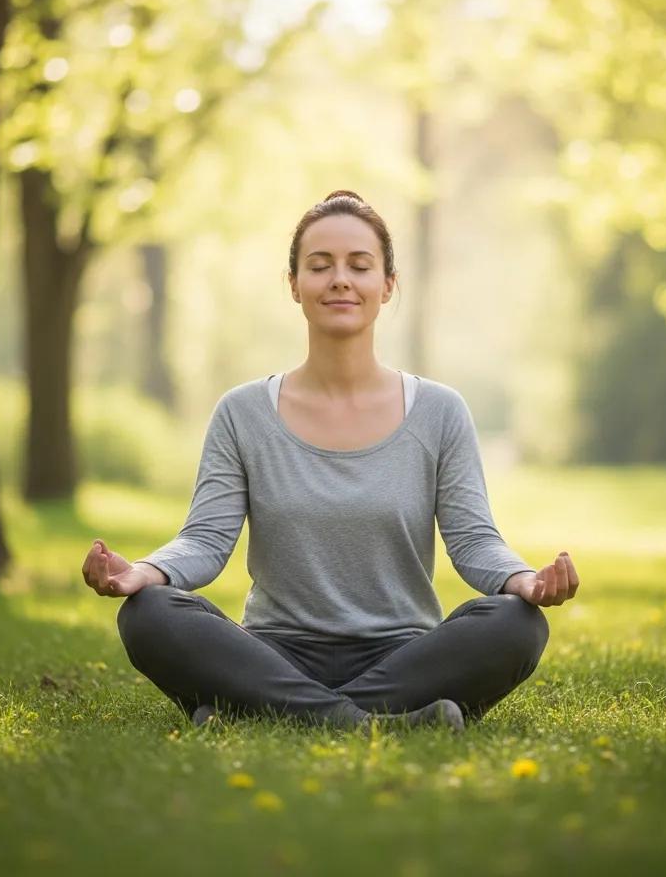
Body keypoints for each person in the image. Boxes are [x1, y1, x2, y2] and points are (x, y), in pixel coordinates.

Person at [82, 190, 579, 733]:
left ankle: (260, 712)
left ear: (388, 285)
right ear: (294, 284)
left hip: (402, 656)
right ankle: (375, 723)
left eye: (359, 266)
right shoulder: (243, 413)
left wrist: (523, 581)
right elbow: (204, 541)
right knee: (149, 614)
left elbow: (473, 539)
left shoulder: (440, 411)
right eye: (320, 266)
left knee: (516, 625)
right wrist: (144, 573)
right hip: (275, 653)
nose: (340, 279)